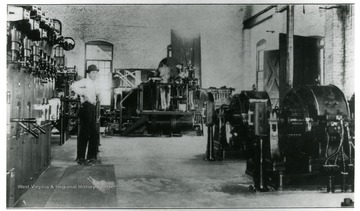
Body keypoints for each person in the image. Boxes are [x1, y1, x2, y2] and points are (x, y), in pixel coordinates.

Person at [70, 64, 102, 165]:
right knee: (84, 133)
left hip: (92, 107)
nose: (94, 74)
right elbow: (73, 86)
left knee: (94, 134)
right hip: (86, 107)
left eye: (96, 72)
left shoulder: (94, 83)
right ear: (89, 73)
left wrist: (99, 95)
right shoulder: (85, 81)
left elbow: (97, 92)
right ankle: (80, 158)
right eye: (92, 72)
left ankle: (91, 157)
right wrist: (83, 92)